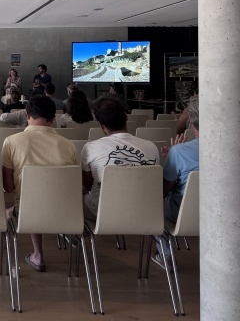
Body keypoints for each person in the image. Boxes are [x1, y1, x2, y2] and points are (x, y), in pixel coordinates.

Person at [1, 94, 77, 272]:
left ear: (27, 115)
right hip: (66, 211)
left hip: (28, 211)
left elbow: (8, 187)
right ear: (53, 118)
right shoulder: (69, 145)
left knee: (29, 200)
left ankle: (38, 254)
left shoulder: (11, 142)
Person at [81, 95, 159, 221]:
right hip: (142, 211)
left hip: (102, 213)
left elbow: (87, 186)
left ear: (100, 125)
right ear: (126, 117)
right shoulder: (152, 147)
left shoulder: (90, 147)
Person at [153, 95, 200, 270]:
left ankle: (166, 255)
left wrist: (172, 157)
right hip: (225, 213)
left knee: (151, 206)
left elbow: (165, 189)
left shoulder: (179, 152)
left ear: (191, 123)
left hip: (183, 214)